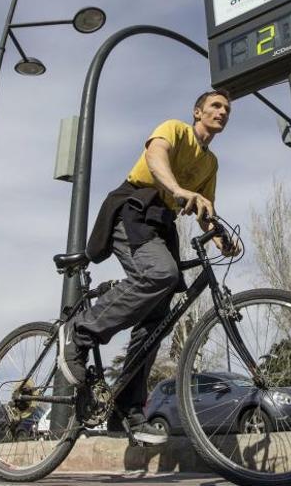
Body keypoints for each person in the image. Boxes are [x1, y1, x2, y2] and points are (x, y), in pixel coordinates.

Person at [57, 90, 239, 445]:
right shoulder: (175, 129)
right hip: (134, 207)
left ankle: (125, 409)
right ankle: (79, 333)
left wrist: (220, 237)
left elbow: (207, 209)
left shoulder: (211, 163)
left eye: (227, 109)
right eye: (216, 106)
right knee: (160, 273)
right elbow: (156, 158)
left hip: (163, 222)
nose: (223, 112)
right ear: (197, 111)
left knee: (159, 318)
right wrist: (178, 189)